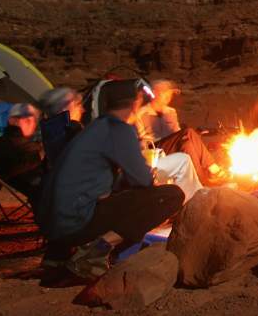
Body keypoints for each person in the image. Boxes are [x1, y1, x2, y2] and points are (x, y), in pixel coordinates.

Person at [37, 79, 185, 279]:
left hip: (52, 225)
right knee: (170, 195)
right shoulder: (118, 129)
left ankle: (60, 253)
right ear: (135, 103)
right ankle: (95, 252)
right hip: (75, 223)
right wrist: (146, 172)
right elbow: (142, 181)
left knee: (127, 197)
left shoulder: (94, 128)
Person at [136, 80, 227, 185]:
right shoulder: (142, 113)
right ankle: (213, 169)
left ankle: (200, 183)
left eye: (170, 93)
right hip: (154, 149)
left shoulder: (170, 112)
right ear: (155, 93)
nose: (168, 96)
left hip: (171, 146)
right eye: (165, 93)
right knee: (188, 132)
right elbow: (141, 140)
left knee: (187, 144)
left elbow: (178, 135)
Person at [0, 102, 44, 203]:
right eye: (27, 120)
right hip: (37, 188)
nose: (32, 124)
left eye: (34, 120)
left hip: (36, 183)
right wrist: (40, 153)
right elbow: (10, 167)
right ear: (13, 120)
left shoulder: (16, 142)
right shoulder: (4, 144)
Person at [38, 87, 84, 169]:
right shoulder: (69, 137)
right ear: (64, 109)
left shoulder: (42, 132)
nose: (82, 110)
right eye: (78, 105)